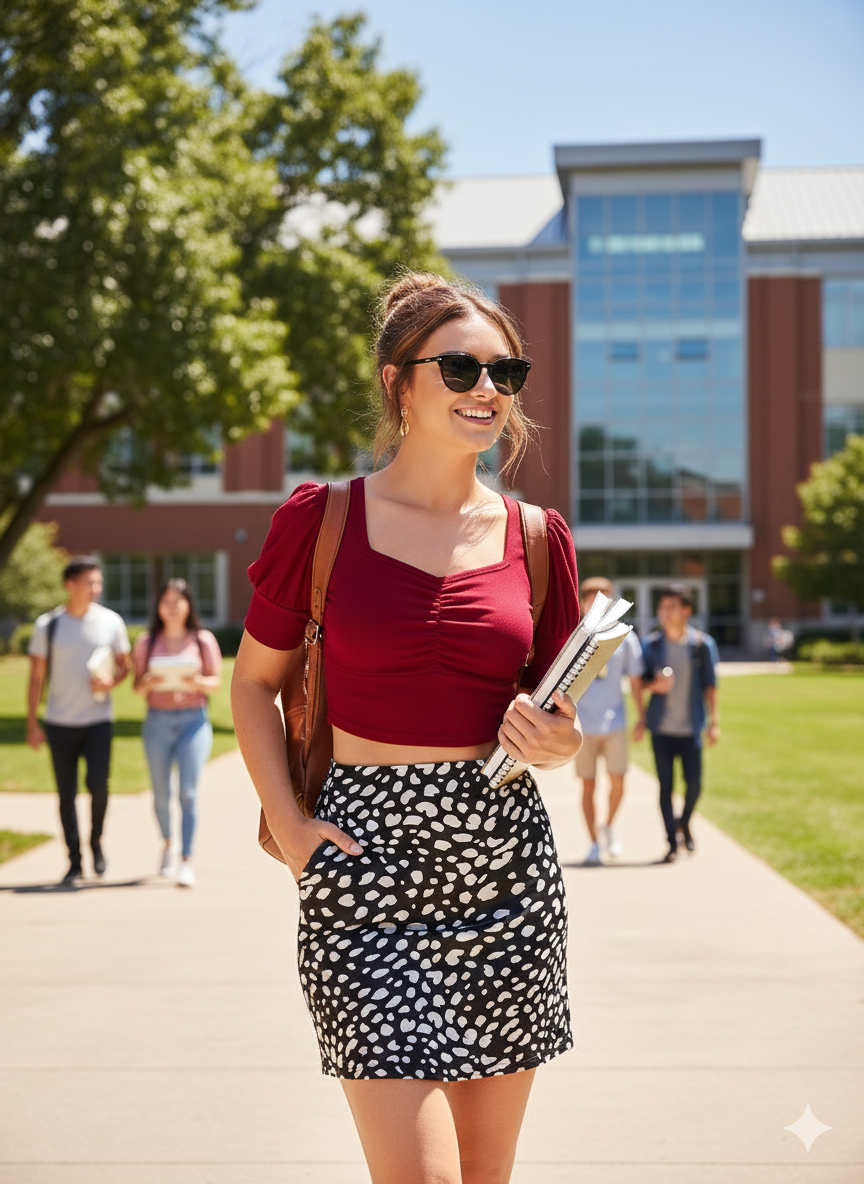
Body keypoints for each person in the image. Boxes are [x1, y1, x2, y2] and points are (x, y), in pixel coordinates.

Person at [231, 272, 583, 1184]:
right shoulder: (321, 520)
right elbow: (254, 686)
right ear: (398, 382)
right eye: (460, 368)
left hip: (503, 864)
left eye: (506, 372)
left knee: (483, 1172)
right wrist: (294, 832)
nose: (486, 390)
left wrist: (562, 741)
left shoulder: (537, 536)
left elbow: (558, 707)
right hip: (363, 863)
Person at [26, 556, 131, 884]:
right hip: (59, 722)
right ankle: (73, 860)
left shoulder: (111, 622)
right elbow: (36, 676)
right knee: (66, 793)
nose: (95, 588)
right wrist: (32, 722)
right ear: (69, 585)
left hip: (99, 720)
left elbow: (124, 666)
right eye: (89, 583)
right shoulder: (48, 625)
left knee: (99, 785)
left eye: (98, 582)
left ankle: (96, 843)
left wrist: (111, 682)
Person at [133, 578, 222, 888]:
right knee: (161, 793)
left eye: (177, 601)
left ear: (188, 605)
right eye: (166, 602)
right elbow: (137, 687)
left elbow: (216, 682)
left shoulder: (202, 640)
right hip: (157, 721)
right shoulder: (146, 641)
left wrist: (197, 682)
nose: (171, 607)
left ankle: (186, 860)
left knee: (189, 792)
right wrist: (149, 682)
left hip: (193, 721)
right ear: (158, 606)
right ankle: (168, 844)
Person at [638, 584, 720, 863]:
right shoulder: (651, 645)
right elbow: (641, 682)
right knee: (665, 786)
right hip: (661, 729)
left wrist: (714, 722)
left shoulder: (702, 645)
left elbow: (711, 685)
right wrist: (655, 686)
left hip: (691, 727)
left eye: (672, 607)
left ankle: (683, 821)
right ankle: (672, 841)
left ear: (687, 610)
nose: (665, 612)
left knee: (694, 784)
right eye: (662, 607)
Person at [574, 577, 645, 865]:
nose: (598, 604)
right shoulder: (574, 636)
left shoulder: (625, 636)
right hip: (583, 724)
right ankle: (593, 842)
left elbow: (636, 679)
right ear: (582, 603)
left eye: (604, 599)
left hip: (615, 720)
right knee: (588, 785)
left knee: (618, 781)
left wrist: (642, 716)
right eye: (592, 599)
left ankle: (609, 826)